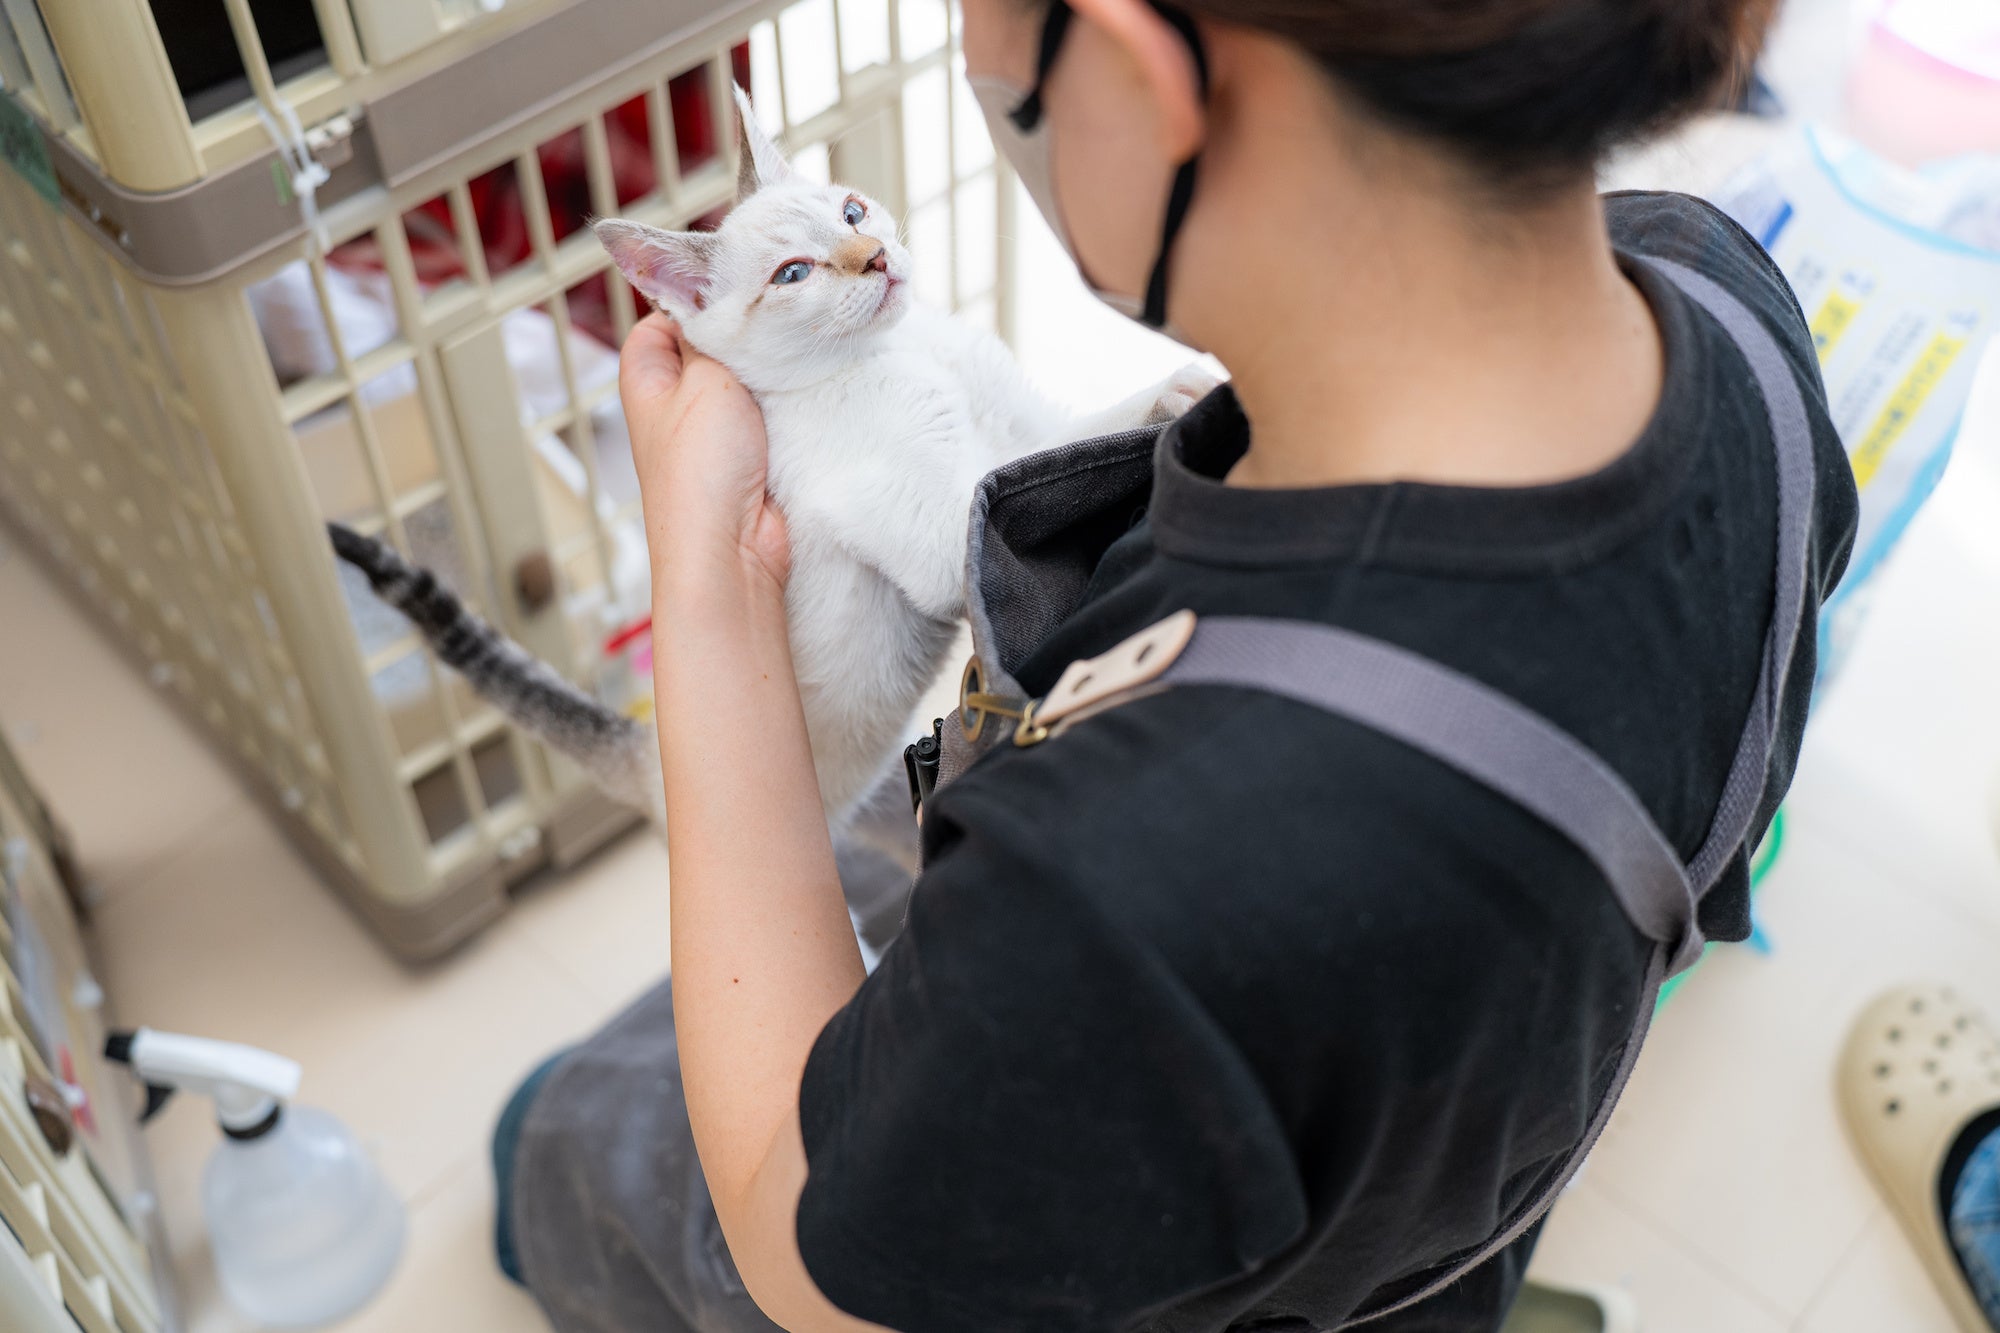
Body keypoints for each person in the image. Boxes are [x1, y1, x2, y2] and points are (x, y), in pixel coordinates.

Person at [492, 0, 1863, 1329]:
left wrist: (711, 580)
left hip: (1069, 1213)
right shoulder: (1720, 294)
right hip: (1430, 1207)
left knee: (553, 1143)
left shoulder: (1136, 870)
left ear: (1144, 73)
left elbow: (808, 1250)